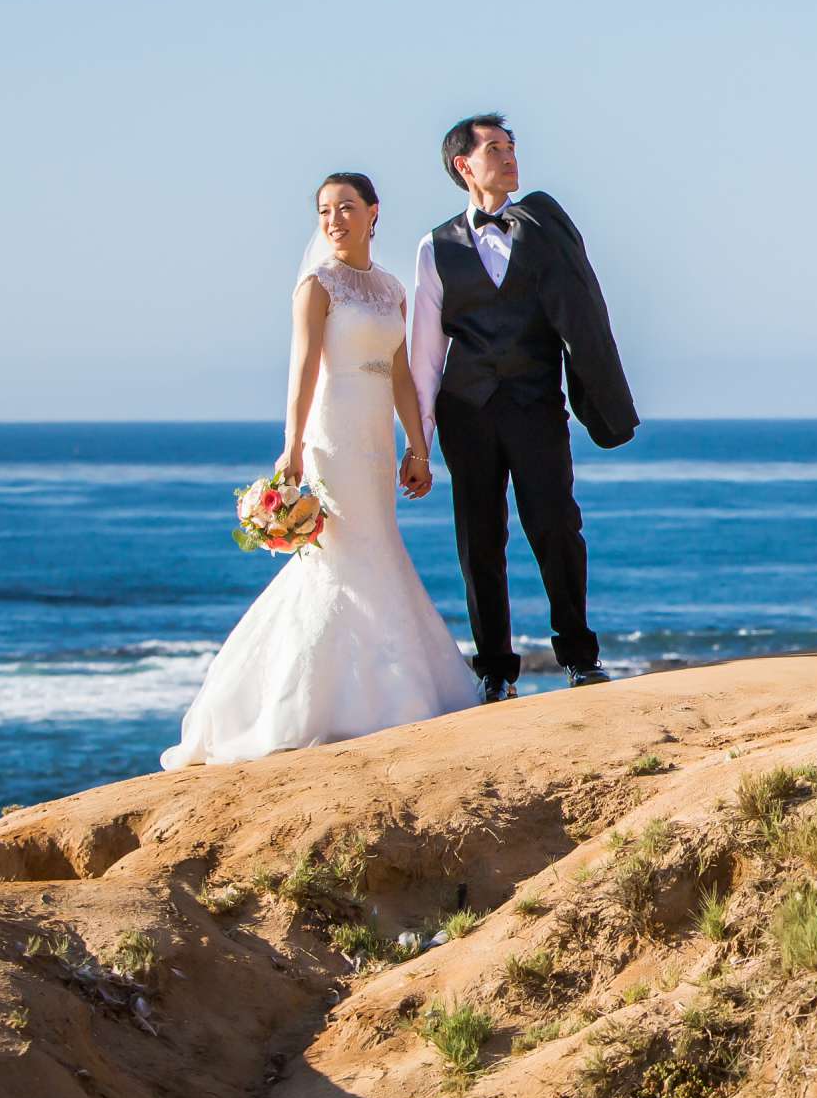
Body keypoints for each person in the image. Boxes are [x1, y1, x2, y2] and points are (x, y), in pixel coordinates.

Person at [162, 173, 479, 768]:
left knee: (376, 550)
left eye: (346, 208)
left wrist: (418, 445)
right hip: (332, 439)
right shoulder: (316, 286)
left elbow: (402, 374)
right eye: (325, 211)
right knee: (340, 560)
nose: (335, 220)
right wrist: (292, 448)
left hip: (376, 442)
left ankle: (375, 693)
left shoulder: (390, 289)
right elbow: (303, 367)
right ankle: (307, 704)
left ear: (373, 214)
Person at [410, 113, 637, 703]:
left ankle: (580, 659)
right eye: (495, 149)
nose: (510, 158)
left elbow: (582, 310)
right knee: (479, 541)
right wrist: (419, 443)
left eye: (512, 147)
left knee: (556, 527)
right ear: (464, 165)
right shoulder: (434, 248)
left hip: (537, 406)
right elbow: (425, 352)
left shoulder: (540, 229)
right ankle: (494, 671)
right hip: (467, 411)